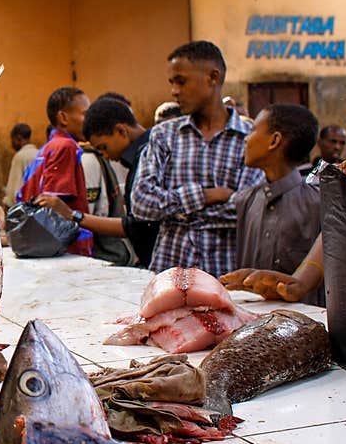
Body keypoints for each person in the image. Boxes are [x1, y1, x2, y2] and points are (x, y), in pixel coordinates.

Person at [130, 40, 265, 278]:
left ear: (213, 77)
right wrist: (206, 196)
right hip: (168, 273)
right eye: (171, 83)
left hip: (226, 277)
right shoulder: (164, 135)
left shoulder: (249, 138)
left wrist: (175, 210)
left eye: (181, 81)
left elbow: (248, 210)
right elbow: (141, 204)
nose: (174, 91)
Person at [35, 97, 157, 268]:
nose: (105, 155)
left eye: (103, 147)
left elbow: (137, 226)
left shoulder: (151, 155)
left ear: (121, 131)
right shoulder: (140, 156)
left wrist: (71, 214)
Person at [220, 156, 346, 301]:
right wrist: (301, 282)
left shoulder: (313, 198)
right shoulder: (249, 199)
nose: (247, 138)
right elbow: (341, 230)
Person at [230, 104, 323, 306]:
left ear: (274, 140)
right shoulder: (246, 200)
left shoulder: (319, 203)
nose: (247, 137)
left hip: (304, 320)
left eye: (253, 130)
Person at [18, 87, 92, 256]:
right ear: (64, 117)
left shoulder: (46, 148)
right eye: (85, 114)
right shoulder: (66, 146)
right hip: (68, 248)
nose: (90, 120)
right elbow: (54, 205)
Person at [2, 123, 37, 208]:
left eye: (12, 140)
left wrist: (7, 204)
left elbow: (14, 189)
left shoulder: (20, 156)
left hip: (23, 209)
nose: (12, 144)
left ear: (18, 138)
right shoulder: (39, 154)